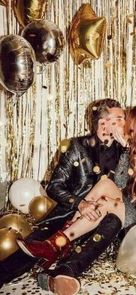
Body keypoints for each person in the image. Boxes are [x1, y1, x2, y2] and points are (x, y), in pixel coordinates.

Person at [17, 106, 136, 295]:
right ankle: (59, 244)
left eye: (127, 121)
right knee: (106, 186)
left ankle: (58, 243)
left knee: (108, 206)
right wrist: (127, 151)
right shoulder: (126, 150)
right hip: (128, 206)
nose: (122, 125)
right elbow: (120, 182)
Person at [0, 98, 126, 287]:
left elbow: (133, 190)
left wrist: (128, 150)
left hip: (104, 218)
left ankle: (59, 275)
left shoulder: (125, 150)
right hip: (68, 213)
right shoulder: (78, 146)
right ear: (103, 123)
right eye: (120, 118)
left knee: (109, 226)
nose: (125, 122)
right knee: (35, 245)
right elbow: (54, 186)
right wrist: (80, 204)